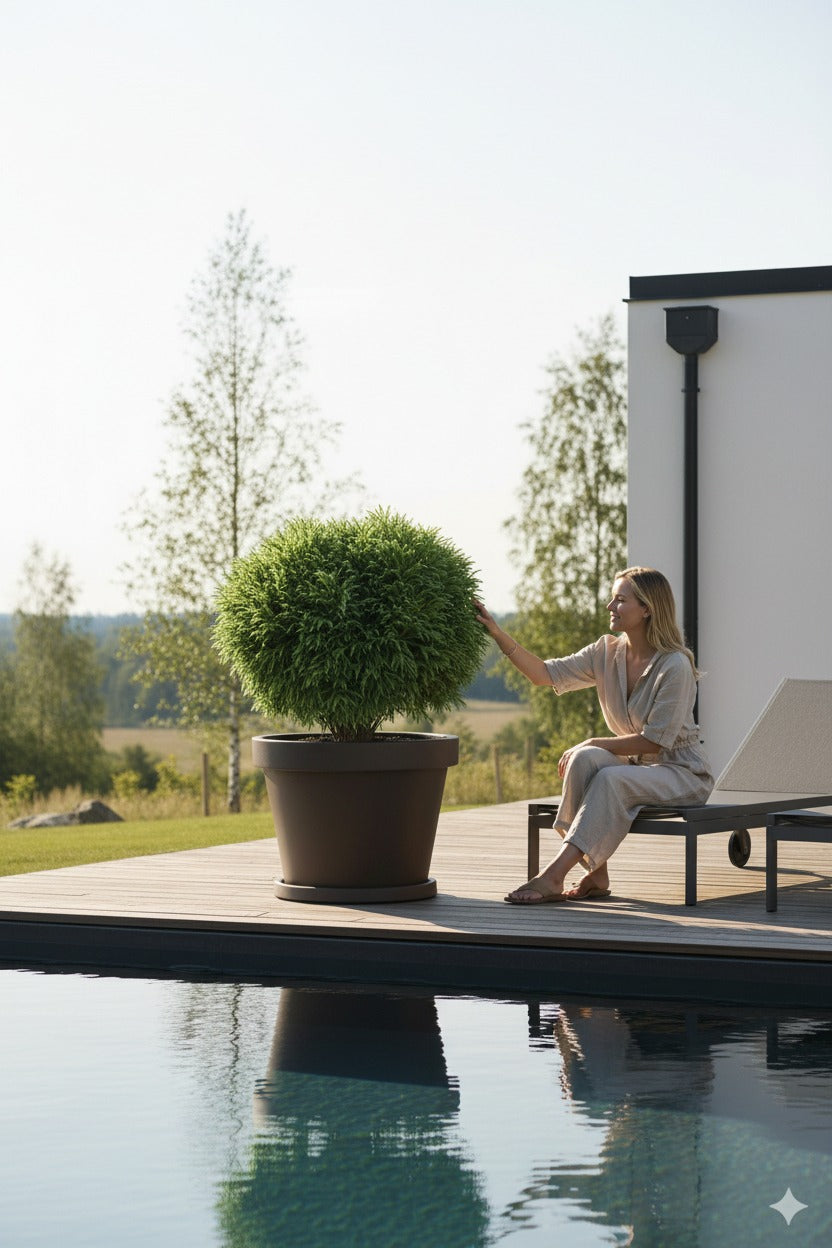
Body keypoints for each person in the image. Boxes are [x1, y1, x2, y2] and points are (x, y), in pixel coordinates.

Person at [474, 567, 714, 904]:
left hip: (681, 772)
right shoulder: (606, 653)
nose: (609, 606)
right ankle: (596, 874)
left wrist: (594, 741)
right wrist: (497, 633)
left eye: (620, 600)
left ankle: (553, 877)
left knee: (608, 777)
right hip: (636, 765)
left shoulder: (674, 665)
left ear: (647, 608)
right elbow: (544, 674)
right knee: (584, 761)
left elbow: (655, 741)